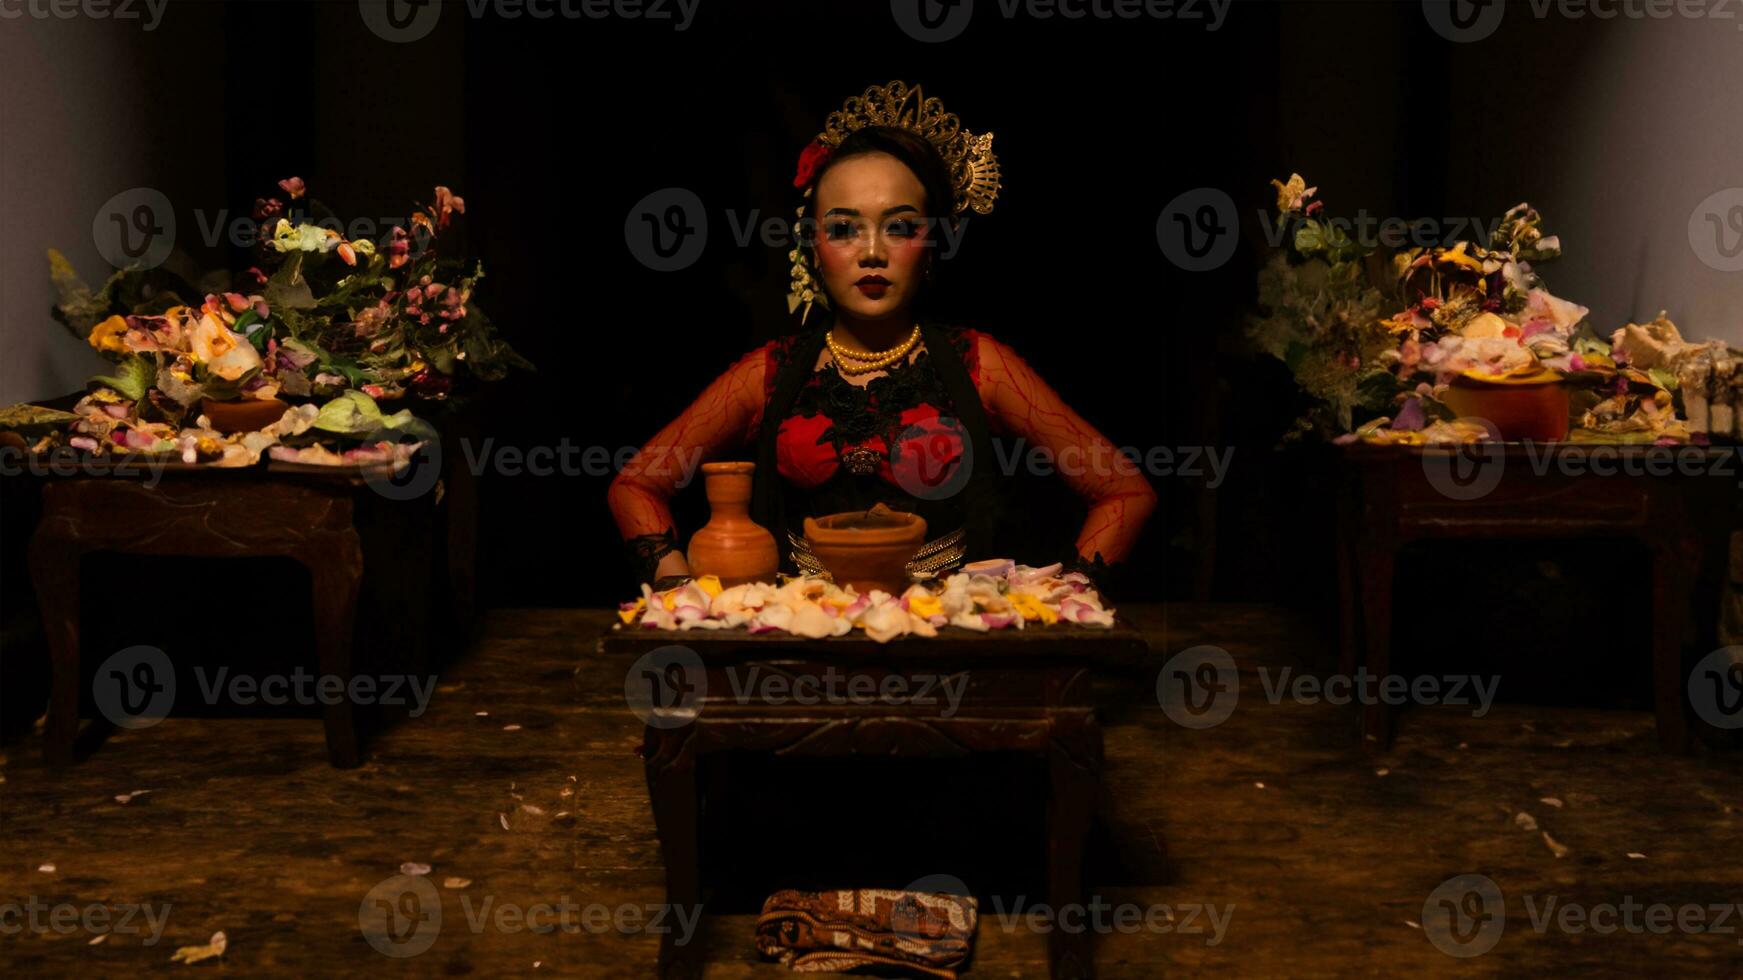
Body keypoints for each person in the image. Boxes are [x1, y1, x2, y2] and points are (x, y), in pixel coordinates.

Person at [608, 81, 1155, 590]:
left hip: (947, 656)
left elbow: (1124, 491)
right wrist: (683, 593)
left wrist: (1063, 602)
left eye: (899, 226)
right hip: (803, 653)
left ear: (933, 244)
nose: (872, 252)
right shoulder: (770, 374)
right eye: (844, 229)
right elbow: (636, 485)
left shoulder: (979, 364)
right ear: (813, 249)